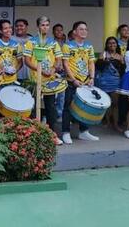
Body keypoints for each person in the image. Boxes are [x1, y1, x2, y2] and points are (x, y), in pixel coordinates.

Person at [23, 16, 64, 145]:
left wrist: (53, 69)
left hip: (50, 80)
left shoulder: (53, 42)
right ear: (38, 27)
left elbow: (58, 60)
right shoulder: (31, 42)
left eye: (47, 25)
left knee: (51, 108)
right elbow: (27, 61)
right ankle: (33, 135)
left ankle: (53, 135)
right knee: (34, 108)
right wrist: (40, 70)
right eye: (42, 25)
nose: (45, 27)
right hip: (35, 81)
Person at [61, 21, 99, 143]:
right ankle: (65, 132)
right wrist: (73, 79)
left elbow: (91, 62)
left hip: (85, 82)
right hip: (72, 82)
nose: (84, 31)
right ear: (74, 32)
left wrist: (92, 77)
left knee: (85, 107)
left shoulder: (89, 46)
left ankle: (84, 132)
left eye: (85, 29)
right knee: (68, 107)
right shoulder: (68, 46)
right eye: (81, 29)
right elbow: (65, 64)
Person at [95, 37, 124, 133]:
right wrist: (104, 60)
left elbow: (123, 69)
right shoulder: (103, 54)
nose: (112, 45)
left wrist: (120, 61)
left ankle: (115, 123)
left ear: (117, 44)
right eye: (110, 43)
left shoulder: (120, 56)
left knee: (115, 104)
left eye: (114, 43)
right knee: (107, 103)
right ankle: (107, 121)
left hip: (115, 81)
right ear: (107, 45)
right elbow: (98, 67)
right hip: (104, 81)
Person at [0, 19, 22, 87]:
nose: (9, 30)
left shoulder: (16, 45)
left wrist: (15, 71)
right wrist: (2, 71)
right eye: (5, 28)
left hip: (13, 81)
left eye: (10, 28)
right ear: (0, 31)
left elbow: (20, 62)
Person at [52, 23, 67, 120]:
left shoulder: (67, 44)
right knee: (52, 94)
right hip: (53, 71)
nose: (59, 32)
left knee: (62, 95)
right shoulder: (51, 43)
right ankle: (50, 114)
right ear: (53, 32)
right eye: (57, 30)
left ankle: (59, 114)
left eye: (60, 30)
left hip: (64, 72)